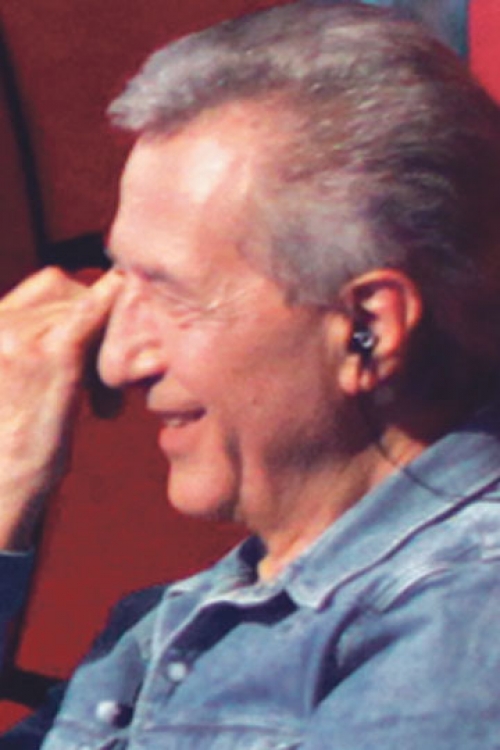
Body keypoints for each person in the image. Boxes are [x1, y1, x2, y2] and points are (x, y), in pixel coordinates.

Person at [2, 1, 500, 747]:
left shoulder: (462, 620)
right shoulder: (167, 626)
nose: (116, 357)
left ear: (366, 328)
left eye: (169, 291)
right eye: (114, 277)